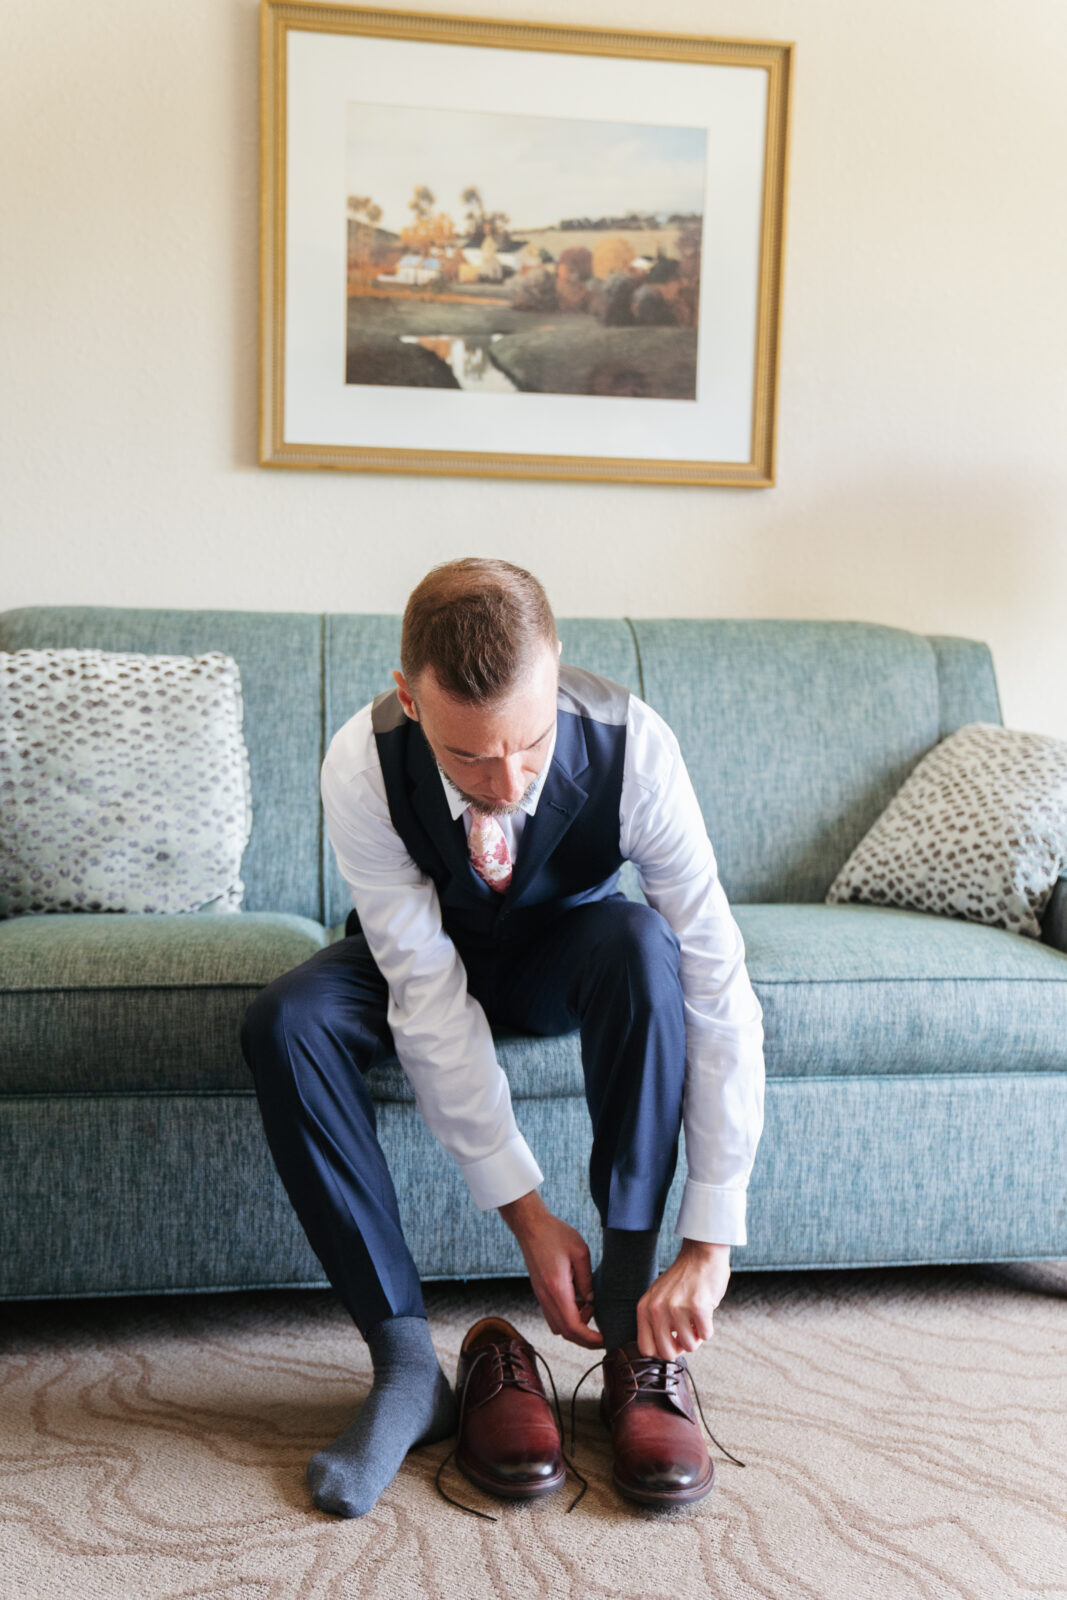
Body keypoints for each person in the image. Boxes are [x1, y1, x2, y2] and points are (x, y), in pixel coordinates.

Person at [240, 557, 765, 1517]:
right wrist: (524, 1210)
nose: (506, 781)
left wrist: (712, 1234)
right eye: (469, 757)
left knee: (646, 944)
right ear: (410, 696)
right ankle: (404, 1364)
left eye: (527, 744)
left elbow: (715, 981)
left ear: (555, 669)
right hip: (425, 953)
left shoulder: (634, 748)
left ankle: (631, 1324)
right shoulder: (361, 759)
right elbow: (426, 993)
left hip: (566, 953)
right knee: (284, 1021)